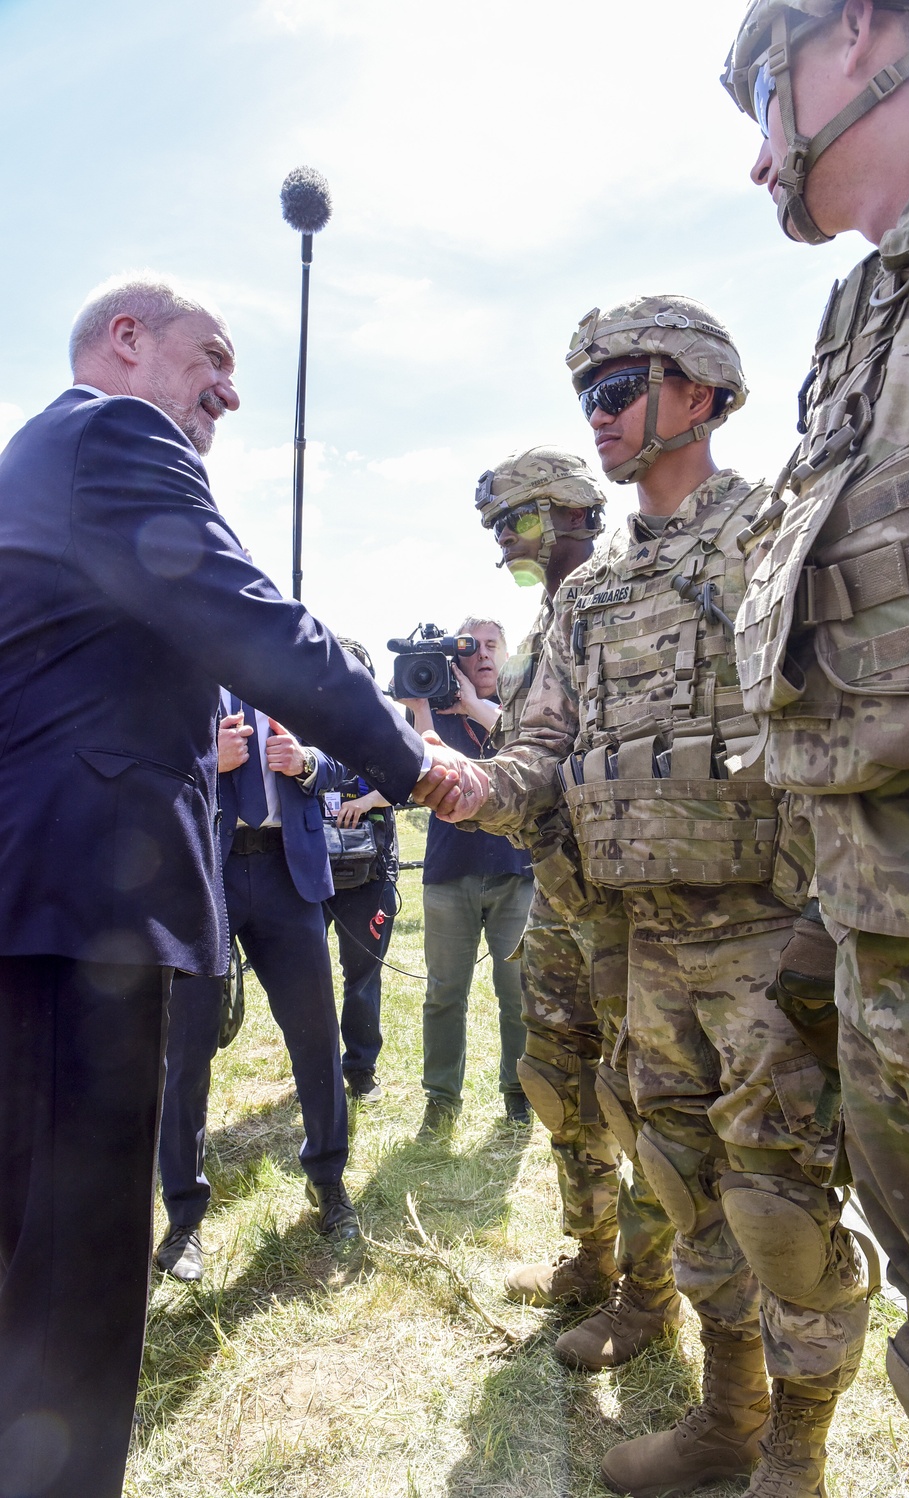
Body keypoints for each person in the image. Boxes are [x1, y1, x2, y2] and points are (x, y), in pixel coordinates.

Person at [0, 272, 478, 1498]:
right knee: (72, 1275)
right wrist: (415, 758)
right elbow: (256, 622)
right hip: (78, 917)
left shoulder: (40, 462)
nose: (230, 387)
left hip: (44, 896)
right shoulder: (113, 437)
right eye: (210, 354)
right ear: (125, 341)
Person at [442, 297, 873, 1498]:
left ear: (699, 389)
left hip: (767, 939)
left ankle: (798, 1452)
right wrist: (467, 782)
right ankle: (725, 1421)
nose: (600, 413)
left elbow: (847, 723)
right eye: (586, 393)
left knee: (781, 1204)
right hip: (640, 948)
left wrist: (829, 923)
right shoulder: (584, 598)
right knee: (687, 1194)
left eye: (620, 386)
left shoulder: (777, 540)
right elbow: (541, 752)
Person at [722, 4, 909, 1495]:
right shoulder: (873, 308)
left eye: (764, 95)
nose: (758, 153)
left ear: (871, 28)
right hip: (896, 944)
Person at [476, 449, 683, 1371]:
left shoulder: (632, 601)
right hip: (558, 901)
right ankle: (591, 1257)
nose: (504, 546)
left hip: (637, 906)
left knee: (644, 1101)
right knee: (560, 1085)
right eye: (495, 531)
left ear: (572, 514)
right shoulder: (539, 632)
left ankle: (650, 1295)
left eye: (514, 524)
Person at [156, 698, 355, 1285]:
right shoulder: (183, 672)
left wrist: (307, 763)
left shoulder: (290, 674)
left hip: (286, 876)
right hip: (204, 874)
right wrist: (205, 762)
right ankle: (183, 1219)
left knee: (317, 1037)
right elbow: (149, 763)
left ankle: (329, 1183)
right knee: (186, 1051)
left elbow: (346, 757)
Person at [402, 618, 534, 1133]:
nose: (481, 655)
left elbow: (521, 746)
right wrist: (420, 707)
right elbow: (414, 767)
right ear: (454, 658)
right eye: (470, 647)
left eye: (491, 646)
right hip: (450, 872)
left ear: (505, 655)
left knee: (517, 991)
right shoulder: (432, 707)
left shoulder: (524, 706)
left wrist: (471, 706)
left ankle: (519, 1092)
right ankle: (440, 1100)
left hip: (513, 872)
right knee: (444, 993)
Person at [324, 636, 399, 1106]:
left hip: (369, 873)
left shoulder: (386, 724)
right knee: (307, 979)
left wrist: (370, 799)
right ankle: (316, 1069)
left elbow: (416, 778)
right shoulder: (302, 720)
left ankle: (360, 1070)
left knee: (362, 976)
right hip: (311, 869)